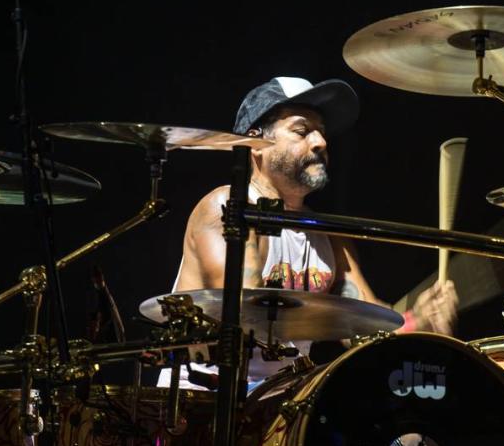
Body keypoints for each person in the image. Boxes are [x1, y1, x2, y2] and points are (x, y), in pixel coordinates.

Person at [163, 76, 458, 388]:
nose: (320, 142)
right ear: (255, 144)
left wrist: (418, 320)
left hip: (279, 401)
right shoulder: (228, 208)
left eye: (322, 133)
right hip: (203, 398)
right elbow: (247, 315)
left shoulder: (327, 233)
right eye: (302, 131)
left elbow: (359, 326)